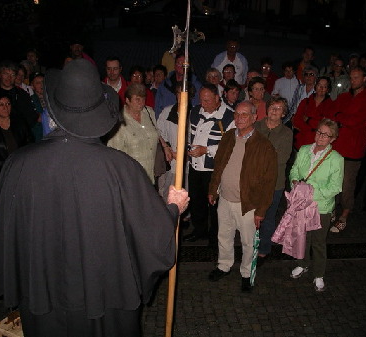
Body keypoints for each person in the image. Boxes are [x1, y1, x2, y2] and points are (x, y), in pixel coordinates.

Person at [0, 59, 189, 337]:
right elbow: (151, 234)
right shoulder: (121, 168)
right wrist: (173, 209)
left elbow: (3, 235)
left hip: (43, 300)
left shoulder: (17, 164)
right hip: (104, 304)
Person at [207, 101, 277, 292]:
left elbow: (269, 182)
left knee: (248, 242)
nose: (239, 118)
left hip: (248, 204)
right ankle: (224, 265)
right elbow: (218, 166)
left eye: (244, 115)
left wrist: (261, 210)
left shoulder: (264, 146)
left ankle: (246, 273)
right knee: (224, 236)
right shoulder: (228, 137)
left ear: (254, 117)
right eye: (237, 114)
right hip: (225, 199)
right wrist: (213, 189)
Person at [289, 119, 344, 292]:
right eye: (319, 132)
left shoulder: (337, 159)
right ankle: (302, 264)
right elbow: (294, 170)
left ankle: (319, 274)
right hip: (301, 205)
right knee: (302, 237)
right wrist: (295, 182)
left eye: (326, 134)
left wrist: (310, 193)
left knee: (318, 242)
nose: (320, 137)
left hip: (321, 207)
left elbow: (335, 187)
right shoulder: (304, 150)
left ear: (333, 139)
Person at [183, 84, 235, 244]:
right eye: (201, 100)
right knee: (196, 201)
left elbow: (230, 145)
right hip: (194, 166)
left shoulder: (229, 116)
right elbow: (188, 135)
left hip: (213, 169)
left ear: (217, 99)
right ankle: (199, 231)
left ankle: (215, 237)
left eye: (207, 101)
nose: (203, 104)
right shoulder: (195, 111)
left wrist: (206, 150)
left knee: (215, 205)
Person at [327, 66, 366, 232]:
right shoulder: (344, 97)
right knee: (334, 181)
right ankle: (333, 209)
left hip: (353, 151)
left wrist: (340, 118)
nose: (353, 80)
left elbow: (355, 121)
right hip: (337, 147)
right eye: (352, 78)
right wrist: (341, 118)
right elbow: (332, 112)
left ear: (364, 79)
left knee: (348, 185)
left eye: (357, 78)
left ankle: (344, 215)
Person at [107, 83, 171, 183]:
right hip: (131, 177)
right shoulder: (119, 120)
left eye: (143, 99)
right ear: (127, 100)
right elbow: (114, 153)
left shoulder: (149, 112)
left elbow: (156, 132)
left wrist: (165, 146)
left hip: (151, 174)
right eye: (137, 99)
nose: (141, 103)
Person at [254, 97, 292, 264]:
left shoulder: (286, 133)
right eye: (272, 107)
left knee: (268, 217)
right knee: (250, 216)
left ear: (283, 113)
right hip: (253, 180)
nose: (274, 110)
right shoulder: (256, 126)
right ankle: (250, 246)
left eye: (279, 108)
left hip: (274, 183)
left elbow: (281, 159)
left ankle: (263, 249)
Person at [0, 89, 34, 177]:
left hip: (22, 168)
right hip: (0, 173)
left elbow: (30, 144)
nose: (6, 108)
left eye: (8, 104)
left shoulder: (19, 122)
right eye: (1, 105)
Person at [0, 60, 38, 128]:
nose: (9, 78)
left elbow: (31, 117)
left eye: (13, 74)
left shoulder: (22, 94)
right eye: (6, 74)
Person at [155, 52, 201, 118]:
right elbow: (158, 109)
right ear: (175, 65)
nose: (182, 66)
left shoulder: (197, 86)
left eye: (184, 63)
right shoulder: (163, 86)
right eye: (179, 63)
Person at [292, 77, 333, 150]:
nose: (321, 88)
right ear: (315, 86)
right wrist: (312, 129)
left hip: (319, 145)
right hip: (301, 142)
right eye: (319, 85)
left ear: (328, 89)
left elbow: (327, 125)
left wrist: (308, 120)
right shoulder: (305, 102)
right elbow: (296, 120)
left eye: (325, 86)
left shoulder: (331, 105)